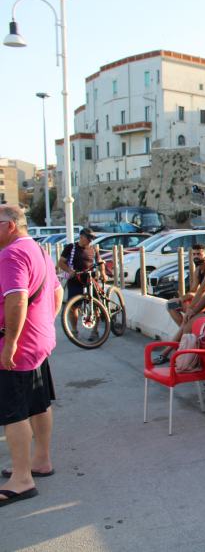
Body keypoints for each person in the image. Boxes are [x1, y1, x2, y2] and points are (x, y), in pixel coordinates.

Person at [0, 205, 64, 508]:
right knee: (39, 403)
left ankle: (22, 480)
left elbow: (16, 298)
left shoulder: (10, 254)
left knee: (13, 412)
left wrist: (10, 342)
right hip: (38, 341)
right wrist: (45, 322)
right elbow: (57, 291)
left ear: (10, 225)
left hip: (18, 346)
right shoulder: (38, 249)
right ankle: (40, 460)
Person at [156, 244, 205, 365]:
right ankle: (187, 334)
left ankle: (167, 351)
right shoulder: (198, 269)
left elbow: (203, 290)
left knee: (188, 319)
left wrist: (191, 308)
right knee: (171, 305)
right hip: (202, 301)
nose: (196, 256)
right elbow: (194, 290)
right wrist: (180, 299)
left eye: (199, 254)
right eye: (194, 254)